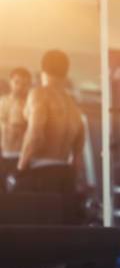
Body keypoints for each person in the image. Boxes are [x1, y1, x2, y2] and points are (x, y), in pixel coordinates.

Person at [11, 50, 85, 194]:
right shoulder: (73, 104)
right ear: (65, 73)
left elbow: (35, 135)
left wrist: (19, 170)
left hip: (41, 173)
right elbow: (78, 153)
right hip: (66, 175)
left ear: (43, 70)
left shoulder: (39, 94)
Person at [0, 68, 31, 192]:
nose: (20, 87)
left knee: (19, 195)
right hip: (3, 155)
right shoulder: (2, 102)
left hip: (22, 158)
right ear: (11, 82)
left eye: (24, 84)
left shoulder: (31, 104)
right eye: (16, 82)